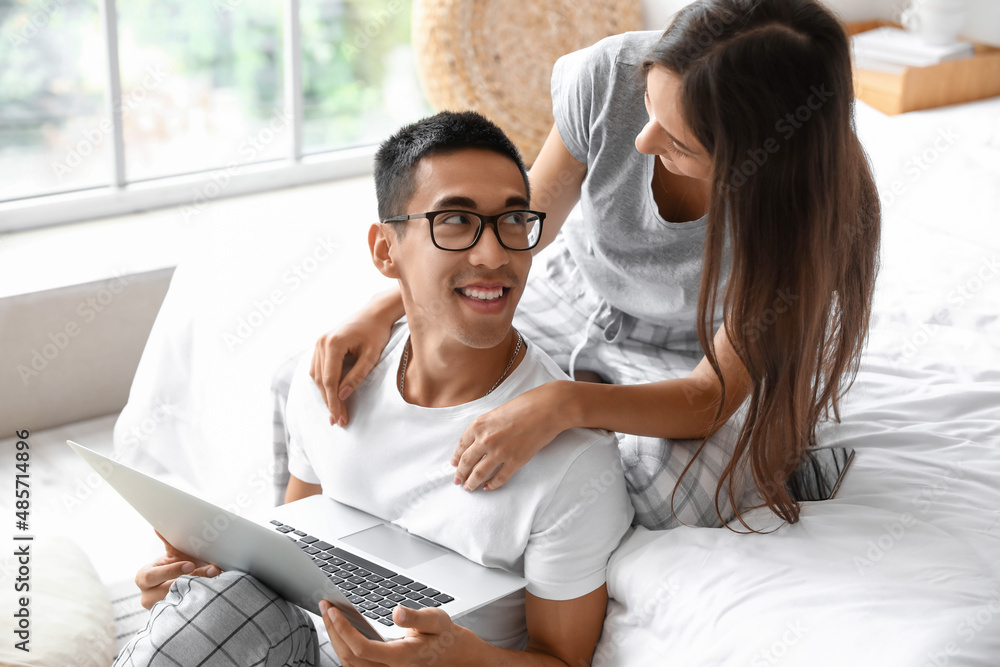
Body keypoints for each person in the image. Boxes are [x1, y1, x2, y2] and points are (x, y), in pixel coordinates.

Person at [306, 0, 881, 531]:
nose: (644, 141)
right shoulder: (610, 77)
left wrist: (564, 405)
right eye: (650, 108)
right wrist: (388, 308)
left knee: (658, 490)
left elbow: (708, 395)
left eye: (680, 142)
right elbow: (518, 229)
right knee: (370, 382)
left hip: (688, 352)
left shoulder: (809, 218)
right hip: (572, 291)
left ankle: (783, 461)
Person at [118, 111, 633, 667]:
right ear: (386, 250)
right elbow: (295, 567)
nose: (494, 255)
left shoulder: (575, 464)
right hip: (307, 651)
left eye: (513, 221)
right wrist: (198, 584)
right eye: (456, 220)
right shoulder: (329, 383)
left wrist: (462, 658)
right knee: (208, 613)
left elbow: (563, 660)